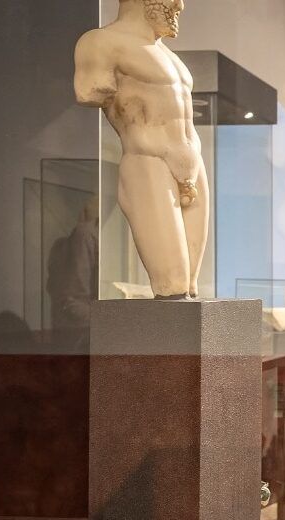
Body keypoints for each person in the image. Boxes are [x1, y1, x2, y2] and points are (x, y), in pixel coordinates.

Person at [74, 0, 209, 299]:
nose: (180, 5)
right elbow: (88, 90)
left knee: (189, 288)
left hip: (193, 167)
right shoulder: (101, 43)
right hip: (149, 163)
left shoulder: (169, 56)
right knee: (172, 284)